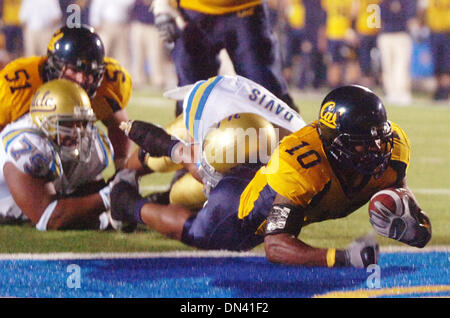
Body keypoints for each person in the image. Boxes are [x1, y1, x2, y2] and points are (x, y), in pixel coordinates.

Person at [110, 82, 432, 268]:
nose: (378, 149)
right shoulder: (303, 167)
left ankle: (172, 164)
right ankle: (128, 204)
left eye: (380, 138)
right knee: (205, 233)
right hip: (248, 201)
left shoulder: (392, 147)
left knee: (199, 174)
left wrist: (414, 226)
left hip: (270, 161)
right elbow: (276, 246)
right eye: (364, 144)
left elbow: (398, 189)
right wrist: (340, 257)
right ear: (336, 144)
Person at [0, 25, 133, 171]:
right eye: (75, 70)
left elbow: (119, 125)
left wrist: (122, 167)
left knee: (94, 146)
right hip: (20, 159)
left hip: (70, 158)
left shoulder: (108, 84)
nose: (82, 79)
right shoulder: (18, 84)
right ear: (55, 66)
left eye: (90, 72)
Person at [0, 79, 119, 230]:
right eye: (68, 123)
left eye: (81, 122)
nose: (77, 132)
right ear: (45, 121)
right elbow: (50, 218)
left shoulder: (86, 140)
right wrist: (110, 197)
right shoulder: (25, 144)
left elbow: (89, 195)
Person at [152, 0, 297, 115]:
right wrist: (162, 5)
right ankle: (188, 147)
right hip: (193, 12)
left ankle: (293, 144)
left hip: (245, 9)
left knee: (265, 88)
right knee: (191, 95)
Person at [377, 0, 417, 105]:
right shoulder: (384, 2)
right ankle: (391, 92)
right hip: (386, 35)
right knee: (387, 65)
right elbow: (379, 19)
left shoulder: (407, 2)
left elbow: (411, 18)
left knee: (401, 65)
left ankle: (402, 92)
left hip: (401, 34)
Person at [418, 0, 450, 101]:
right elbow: (422, 11)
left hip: (447, 32)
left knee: (446, 65)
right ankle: (439, 90)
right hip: (434, 32)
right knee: (437, 65)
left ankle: (445, 90)